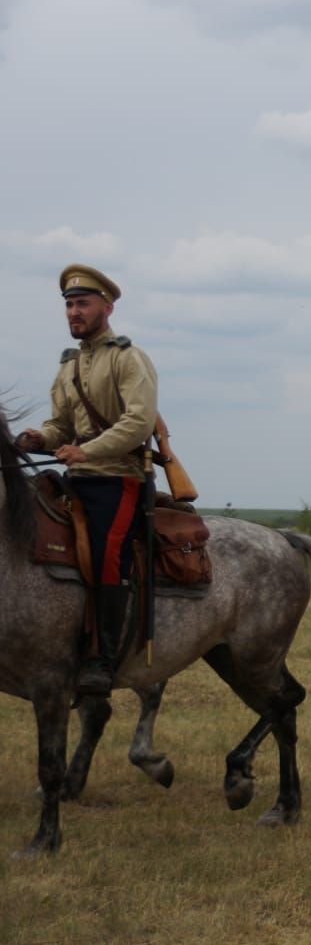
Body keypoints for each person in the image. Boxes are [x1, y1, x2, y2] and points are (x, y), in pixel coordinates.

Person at [17, 265, 159, 697]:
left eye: (82, 304)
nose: (74, 312)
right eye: (69, 305)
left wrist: (87, 451)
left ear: (107, 307)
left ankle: (101, 657)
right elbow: (61, 426)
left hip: (118, 479)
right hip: (75, 478)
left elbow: (139, 422)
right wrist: (39, 438)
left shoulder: (128, 358)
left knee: (104, 554)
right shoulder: (69, 364)